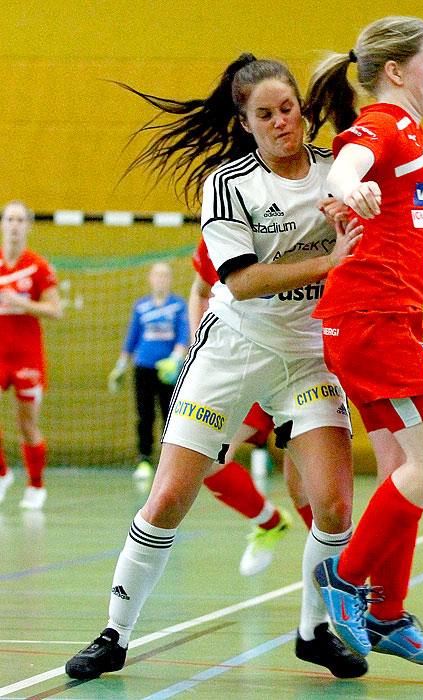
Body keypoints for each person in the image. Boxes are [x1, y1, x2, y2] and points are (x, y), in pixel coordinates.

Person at [65, 53, 366, 681]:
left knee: (335, 506)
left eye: (289, 108)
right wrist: (326, 263)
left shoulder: (340, 170)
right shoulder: (229, 182)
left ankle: (314, 631)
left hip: (309, 359)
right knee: (170, 495)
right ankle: (115, 633)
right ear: (245, 122)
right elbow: (245, 280)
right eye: (266, 114)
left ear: (302, 109)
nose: (283, 122)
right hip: (233, 348)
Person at [302, 16, 423, 665]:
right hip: (374, 320)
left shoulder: (412, 134)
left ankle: (388, 616)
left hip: (376, 320)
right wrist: (347, 187)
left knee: (405, 470)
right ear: (395, 72)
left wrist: (355, 194)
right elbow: (346, 163)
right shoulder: (387, 124)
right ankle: (346, 584)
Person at [189, 236, 313, 576]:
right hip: (246, 362)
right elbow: (200, 291)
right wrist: (197, 352)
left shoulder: (308, 221)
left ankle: (342, 576)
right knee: (208, 461)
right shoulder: (222, 228)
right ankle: (269, 522)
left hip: (306, 363)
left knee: (303, 483)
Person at [0, 201, 64, 510]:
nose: (14, 225)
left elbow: (56, 309)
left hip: (27, 356)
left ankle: (36, 484)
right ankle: (2, 474)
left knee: (26, 424)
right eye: (9, 219)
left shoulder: (37, 266)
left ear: (27, 225)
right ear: (2, 224)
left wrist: (21, 303)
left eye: (19, 220)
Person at [108, 262, 190, 480]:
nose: (161, 279)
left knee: (170, 416)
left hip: (169, 371)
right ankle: (144, 460)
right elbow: (131, 337)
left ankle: (170, 463)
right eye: (157, 275)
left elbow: (184, 335)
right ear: (150, 279)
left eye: (165, 275)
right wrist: (121, 366)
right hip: (143, 367)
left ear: (170, 279)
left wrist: (175, 359)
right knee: (145, 416)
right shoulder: (141, 306)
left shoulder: (179, 306)